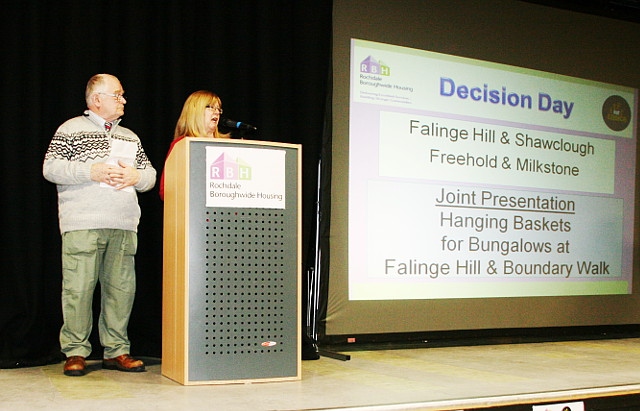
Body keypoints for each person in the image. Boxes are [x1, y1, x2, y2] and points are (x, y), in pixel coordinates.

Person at [43, 73, 157, 376]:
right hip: (82, 223)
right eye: (117, 95)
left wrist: (137, 177)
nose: (123, 100)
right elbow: (50, 168)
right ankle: (76, 351)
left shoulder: (130, 137)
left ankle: (117, 350)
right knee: (78, 289)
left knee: (121, 290)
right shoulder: (70, 129)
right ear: (96, 99)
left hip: (123, 223)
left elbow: (151, 176)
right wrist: (90, 171)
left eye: (122, 95)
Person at [159, 90, 229, 200]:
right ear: (195, 111)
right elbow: (166, 190)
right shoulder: (181, 146)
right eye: (210, 107)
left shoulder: (227, 146)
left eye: (218, 109)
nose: (216, 112)